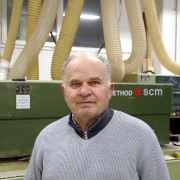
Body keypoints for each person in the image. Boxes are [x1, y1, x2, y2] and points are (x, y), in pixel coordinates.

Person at [24, 54, 170, 180]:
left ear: (110, 90)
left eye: (94, 82)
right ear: (64, 93)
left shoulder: (141, 136)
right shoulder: (46, 138)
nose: (84, 91)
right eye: (75, 84)